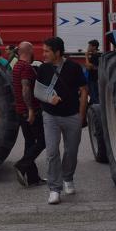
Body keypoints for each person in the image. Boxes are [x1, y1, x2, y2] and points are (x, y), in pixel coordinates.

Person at [36, 36, 88, 205]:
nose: (43, 54)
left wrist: (81, 115)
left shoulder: (74, 67)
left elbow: (84, 90)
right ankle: (54, 189)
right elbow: (38, 92)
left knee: (71, 151)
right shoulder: (43, 68)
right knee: (52, 152)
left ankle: (68, 178)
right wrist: (49, 99)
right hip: (50, 115)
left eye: (46, 51)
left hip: (72, 115)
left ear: (57, 52)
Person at [11, 42, 46, 187]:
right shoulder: (26, 67)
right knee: (43, 141)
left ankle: (33, 178)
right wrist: (31, 110)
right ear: (30, 51)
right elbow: (25, 88)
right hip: (29, 111)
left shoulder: (17, 66)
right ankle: (21, 165)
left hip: (20, 111)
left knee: (30, 142)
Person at [85, 39, 101, 104]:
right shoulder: (93, 56)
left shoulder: (95, 56)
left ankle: (96, 111)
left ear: (94, 47)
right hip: (92, 79)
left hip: (93, 80)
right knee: (92, 96)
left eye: (89, 46)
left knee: (94, 97)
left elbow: (88, 67)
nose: (88, 47)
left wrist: (86, 56)